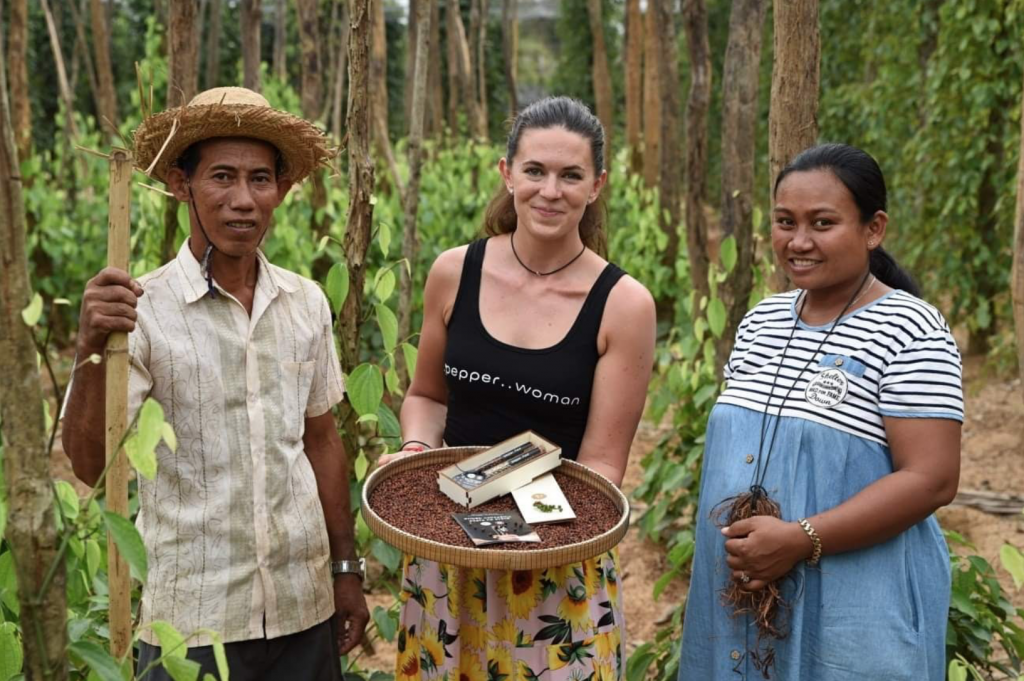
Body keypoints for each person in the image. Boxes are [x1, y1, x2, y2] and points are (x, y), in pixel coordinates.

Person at [62, 87, 369, 680]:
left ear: (281, 190)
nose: (243, 201)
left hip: (301, 608)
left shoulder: (305, 304)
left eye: (260, 180)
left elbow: (322, 442)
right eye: (221, 177)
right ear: (181, 185)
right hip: (193, 622)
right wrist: (88, 348)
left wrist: (346, 571)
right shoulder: (142, 312)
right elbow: (88, 465)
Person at [378, 97, 657, 681]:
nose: (550, 191)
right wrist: (415, 454)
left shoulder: (623, 305)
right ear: (507, 174)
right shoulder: (455, 272)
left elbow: (603, 466)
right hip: (445, 557)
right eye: (534, 171)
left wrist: (507, 533)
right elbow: (428, 397)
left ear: (597, 185)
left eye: (570, 175)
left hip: (555, 560)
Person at [678, 143, 963, 680]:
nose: (799, 241)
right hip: (744, 600)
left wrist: (799, 538)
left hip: (854, 607)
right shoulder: (762, 321)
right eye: (785, 222)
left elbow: (932, 479)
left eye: (823, 222)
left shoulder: (911, 329)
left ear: (873, 229)